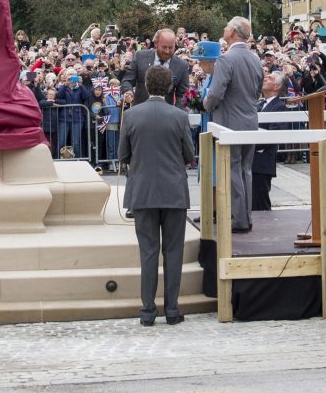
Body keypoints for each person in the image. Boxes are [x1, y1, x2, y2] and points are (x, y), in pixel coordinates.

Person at [118, 65, 195, 326]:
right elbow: (189, 155)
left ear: (147, 87)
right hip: (173, 191)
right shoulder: (179, 116)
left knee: (148, 252)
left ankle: (147, 311)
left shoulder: (131, 116)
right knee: (173, 252)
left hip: (143, 192)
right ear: (170, 87)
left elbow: (123, 156)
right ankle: (172, 310)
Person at [202, 16, 263, 233]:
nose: (224, 28)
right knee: (246, 169)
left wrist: (205, 104)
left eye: (227, 26)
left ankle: (239, 219)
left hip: (229, 123)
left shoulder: (226, 59)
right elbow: (257, 91)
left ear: (233, 32)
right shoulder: (256, 58)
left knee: (233, 169)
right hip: (250, 120)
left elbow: (216, 93)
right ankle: (246, 216)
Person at [120, 29, 189, 108]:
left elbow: (183, 94)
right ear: (156, 44)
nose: (167, 51)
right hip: (140, 112)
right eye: (164, 47)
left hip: (167, 115)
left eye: (171, 48)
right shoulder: (140, 57)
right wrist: (129, 92)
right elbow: (127, 80)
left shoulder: (182, 65)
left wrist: (177, 113)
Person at [252, 72, 287, 211]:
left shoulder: (279, 107)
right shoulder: (260, 104)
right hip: (252, 159)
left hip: (262, 161)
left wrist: (249, 143)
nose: (265, 78)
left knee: (260, 202)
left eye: (270, 78)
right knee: (252, 200)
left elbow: (274, 135)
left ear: (277, 86)